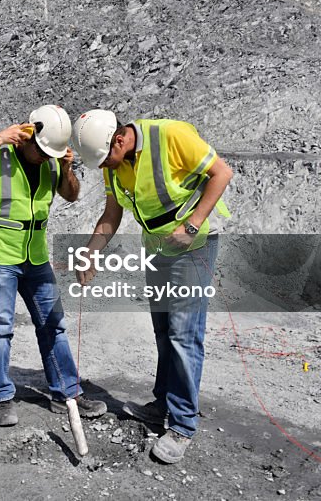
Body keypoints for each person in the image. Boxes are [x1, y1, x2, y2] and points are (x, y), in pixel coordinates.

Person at [73, 110, 233, 463]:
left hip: (195, 244)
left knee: (183, 334)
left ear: (119, 140)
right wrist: (90, 253)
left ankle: (183, 425)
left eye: (105, 160)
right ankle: (164, 403)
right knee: (164, 329)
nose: (104, 168)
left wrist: (190, 226)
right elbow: (111, 215)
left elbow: (222, 172)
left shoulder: (170, 135)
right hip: (157, 247)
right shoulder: (114, 164)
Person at [0, 105, 107, 427]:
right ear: (27, 132)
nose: (42, 156)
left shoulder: (52, 161)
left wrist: (65, 170)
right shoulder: (0, 152)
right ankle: (1, 396)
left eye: (49, 152)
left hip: (35, 256)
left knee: (54, 324)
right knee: (0, 328)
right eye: (40, 149)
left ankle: (66, 393)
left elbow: (72, 195)